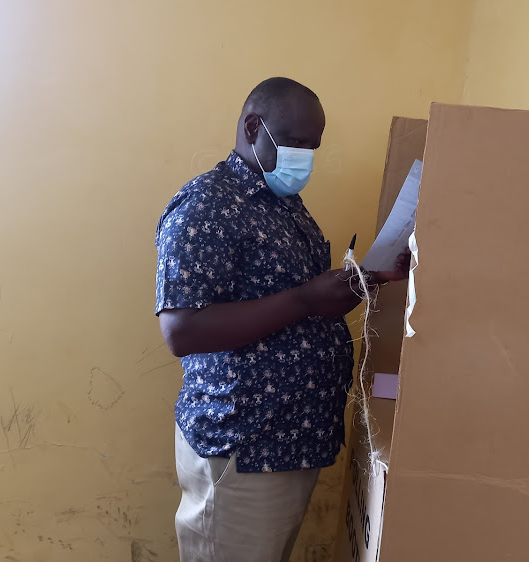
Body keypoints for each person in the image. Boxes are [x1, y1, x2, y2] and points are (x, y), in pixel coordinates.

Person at [155, 77, 409, 562]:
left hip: (290, 442)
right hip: (244, 445)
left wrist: (367, 280)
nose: (306, 157)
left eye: (314, 147)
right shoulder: (207, 207)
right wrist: (305, 300)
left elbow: (303, 302)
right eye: (296, 143)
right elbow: (181, 331)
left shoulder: (282, 204)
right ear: (254, 127)